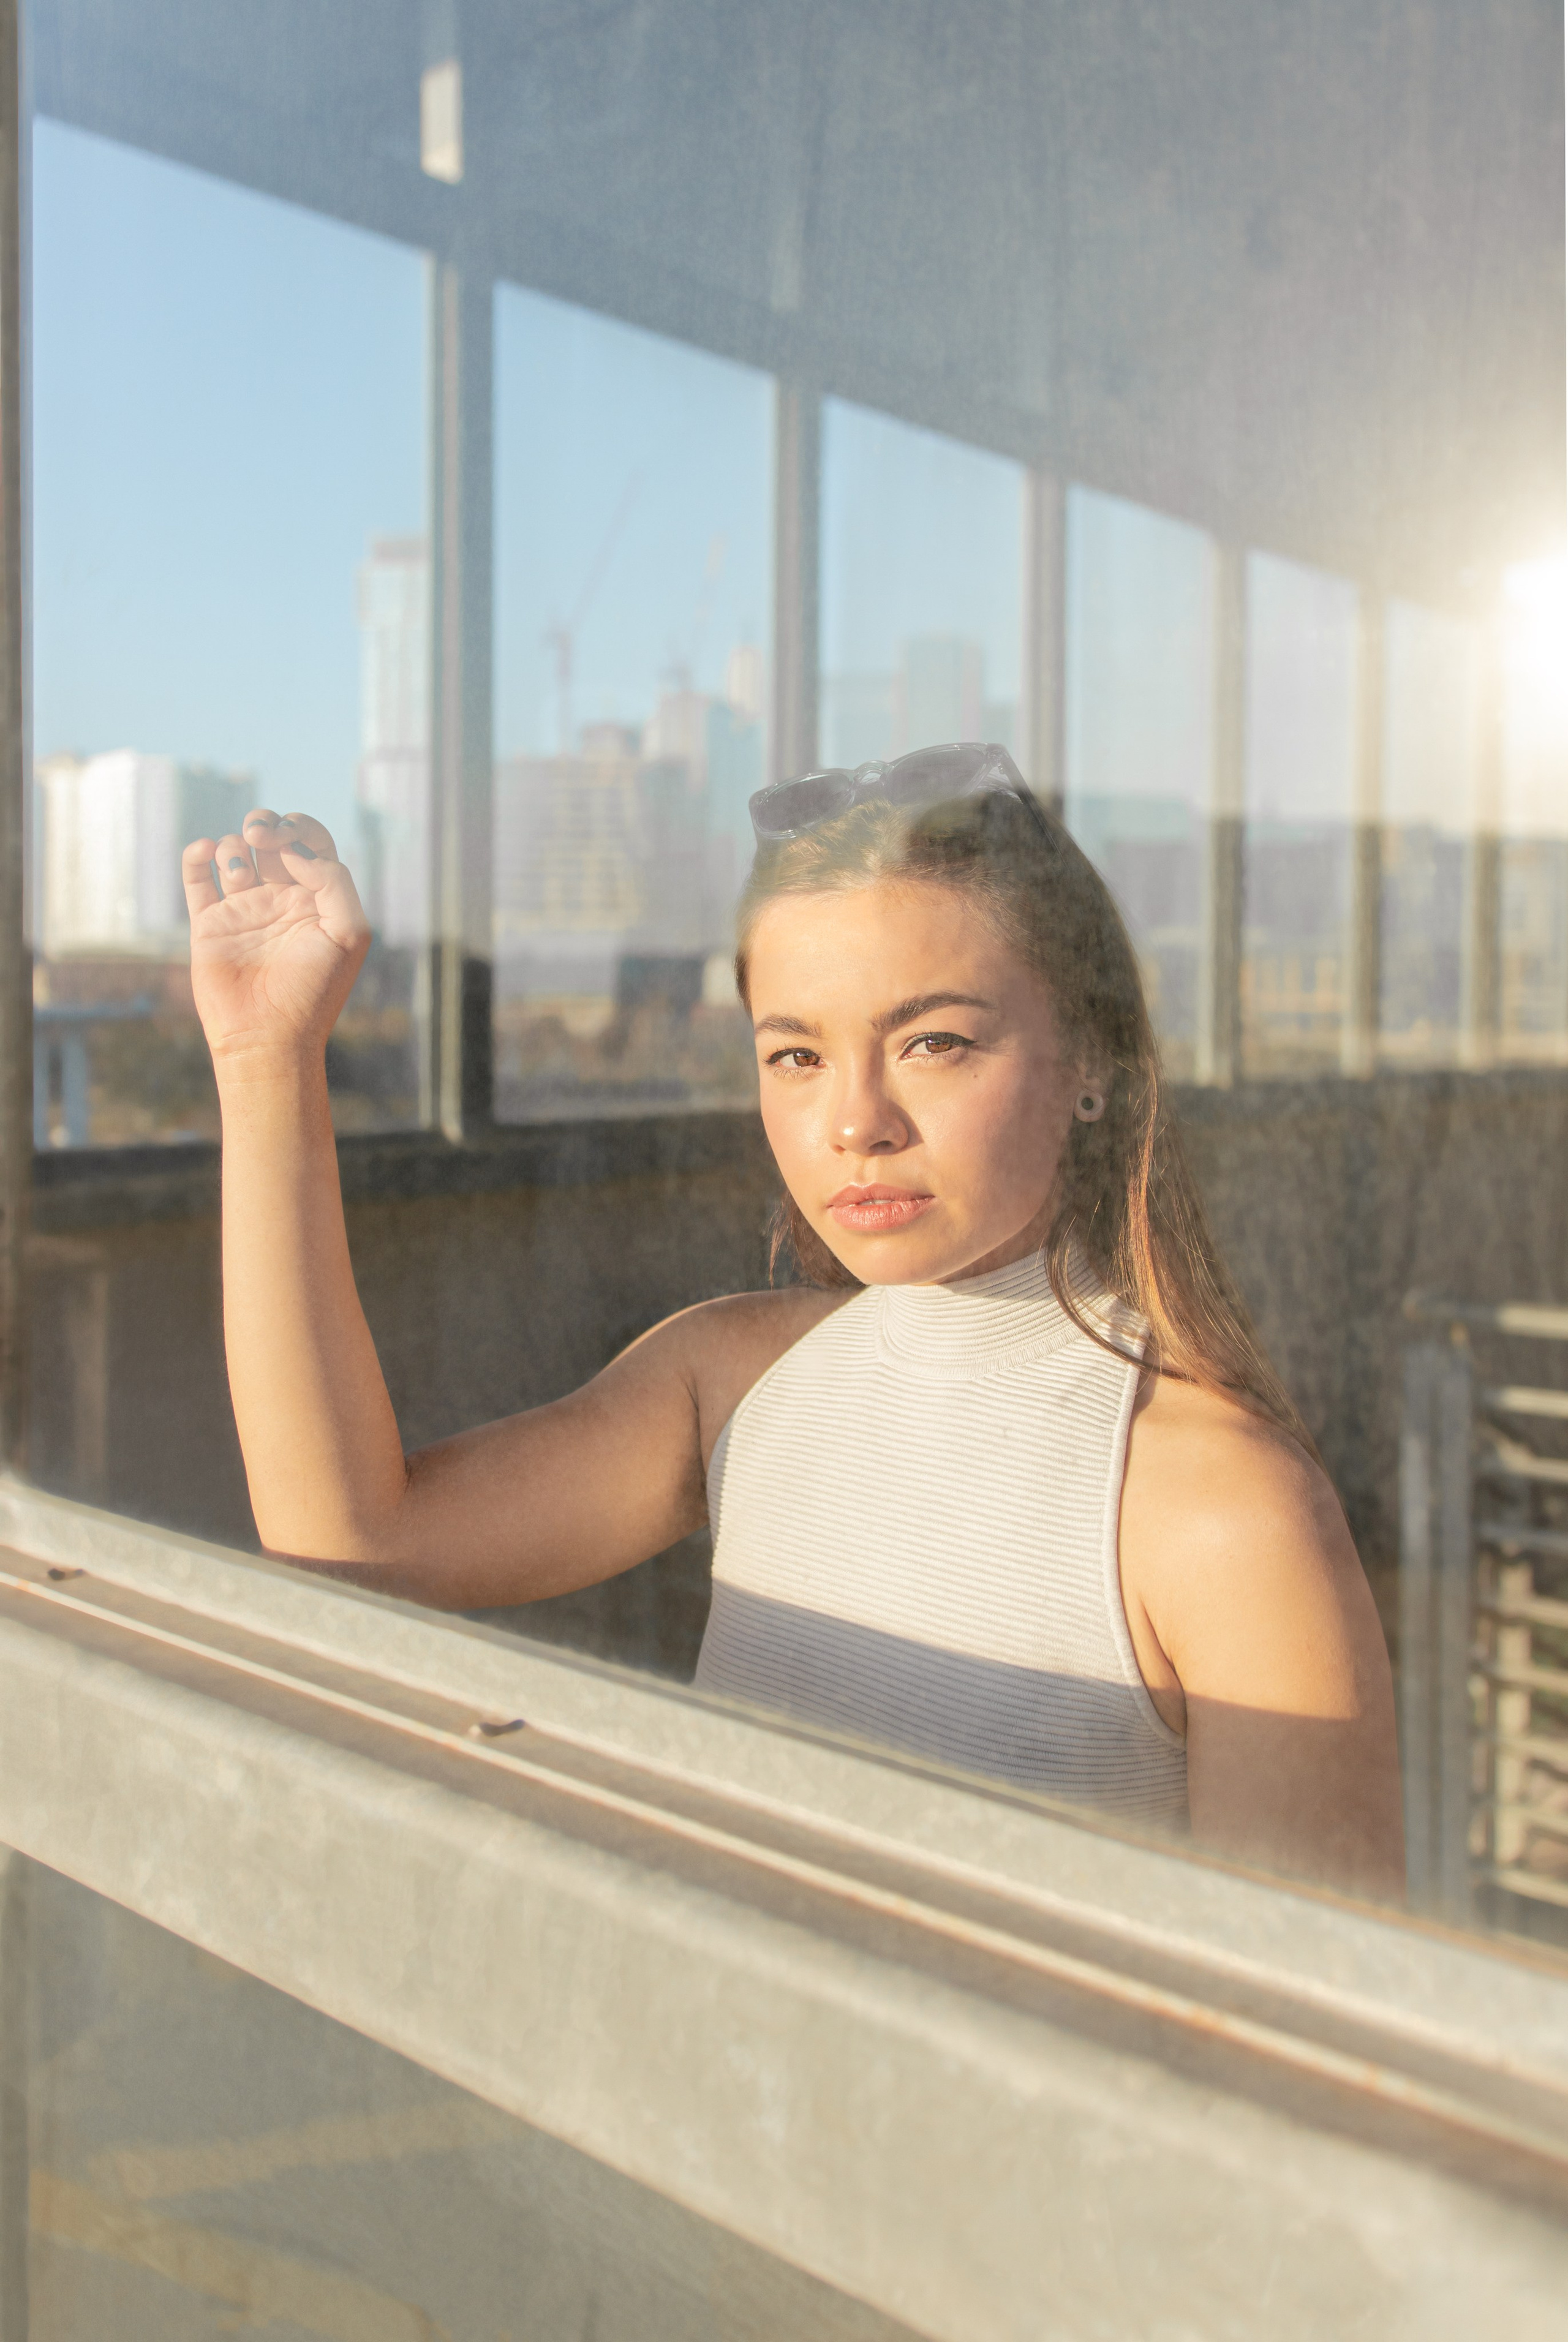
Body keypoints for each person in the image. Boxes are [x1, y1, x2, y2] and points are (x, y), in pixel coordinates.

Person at [181, 744, 1403, 1898]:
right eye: (797, 1056)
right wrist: (265, 1059)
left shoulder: (1221, 1507)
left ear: (1089, 1059)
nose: (855, 1122)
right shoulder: (730, 1379)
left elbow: (1310, 2032)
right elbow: (352, 1541)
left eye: (933, 1042)